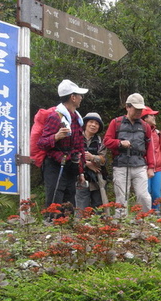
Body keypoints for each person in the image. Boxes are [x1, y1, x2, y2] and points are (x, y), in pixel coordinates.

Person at [37, 79, 88, 210]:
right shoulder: (55, 117)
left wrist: (80, 172)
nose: (81, 98)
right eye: (79, 95)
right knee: (55, 202)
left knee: (70, 202)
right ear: (73, 97)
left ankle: (67, 228)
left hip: (71, 166)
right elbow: (42, 143)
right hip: (54, 167)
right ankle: (52, 227)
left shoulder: (77, 119)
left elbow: (79, 147)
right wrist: (56, 136)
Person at [103, 93, 155, 217]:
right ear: (127, 107)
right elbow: (107, 141)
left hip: (139, 164)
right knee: (122, 197)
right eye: (136, 109)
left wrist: (151, 167)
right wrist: (120, 143)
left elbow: (149, 148)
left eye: (140, 109)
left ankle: (143, 221)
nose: (138, 112)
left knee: (144, 196)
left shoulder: (145, 126)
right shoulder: (116, 123)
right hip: (121, 165)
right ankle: (121, 223)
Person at [75, 112, 108, 213]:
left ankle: (99, 228)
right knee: (81, 207)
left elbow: (103, 159)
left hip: (97, 179)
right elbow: (72, 156)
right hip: (79, 177)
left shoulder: (101, 141)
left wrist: (92, 157)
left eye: (97, 123)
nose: (93, 125)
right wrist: (87, 164)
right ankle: (81, 227)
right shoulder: (76, 138)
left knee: (98, 207)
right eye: (91, 122)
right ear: (85, 123)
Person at [141, 107, 161, 211]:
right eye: (151, 115)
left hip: (157, 168)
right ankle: (146, 214)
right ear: (145, 118)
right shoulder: (140, 132)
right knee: (145, 192)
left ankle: (157, 213)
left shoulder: (157, 133)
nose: (154, 117)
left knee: (156, 193)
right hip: (144, 167)